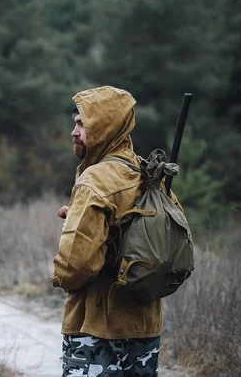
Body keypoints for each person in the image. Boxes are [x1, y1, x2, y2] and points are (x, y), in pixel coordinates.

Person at [51, 86, 181, 376]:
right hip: (145, 327)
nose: (74, 132)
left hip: (95, 328)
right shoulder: (150, 174)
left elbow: (76, 265)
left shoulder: (93, 182)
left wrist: (58, 277)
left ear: (104, 126)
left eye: (82, 123)